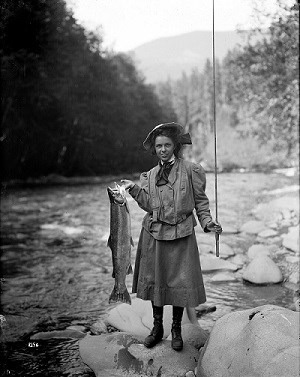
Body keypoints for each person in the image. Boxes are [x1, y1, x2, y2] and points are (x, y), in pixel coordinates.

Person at [121, 122, 222, 351]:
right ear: (154, 149)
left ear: (175, 146)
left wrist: (208, 223)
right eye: (159, 146)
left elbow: (201, 204)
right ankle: (157, 328)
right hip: (154, 235)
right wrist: (134, 189)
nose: (163, 149)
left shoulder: (191, 170)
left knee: (180, 282)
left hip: (182, 234)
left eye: (167, 145)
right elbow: (148, 204)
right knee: (158, 281)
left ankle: (176, 328)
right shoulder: (149, 176)